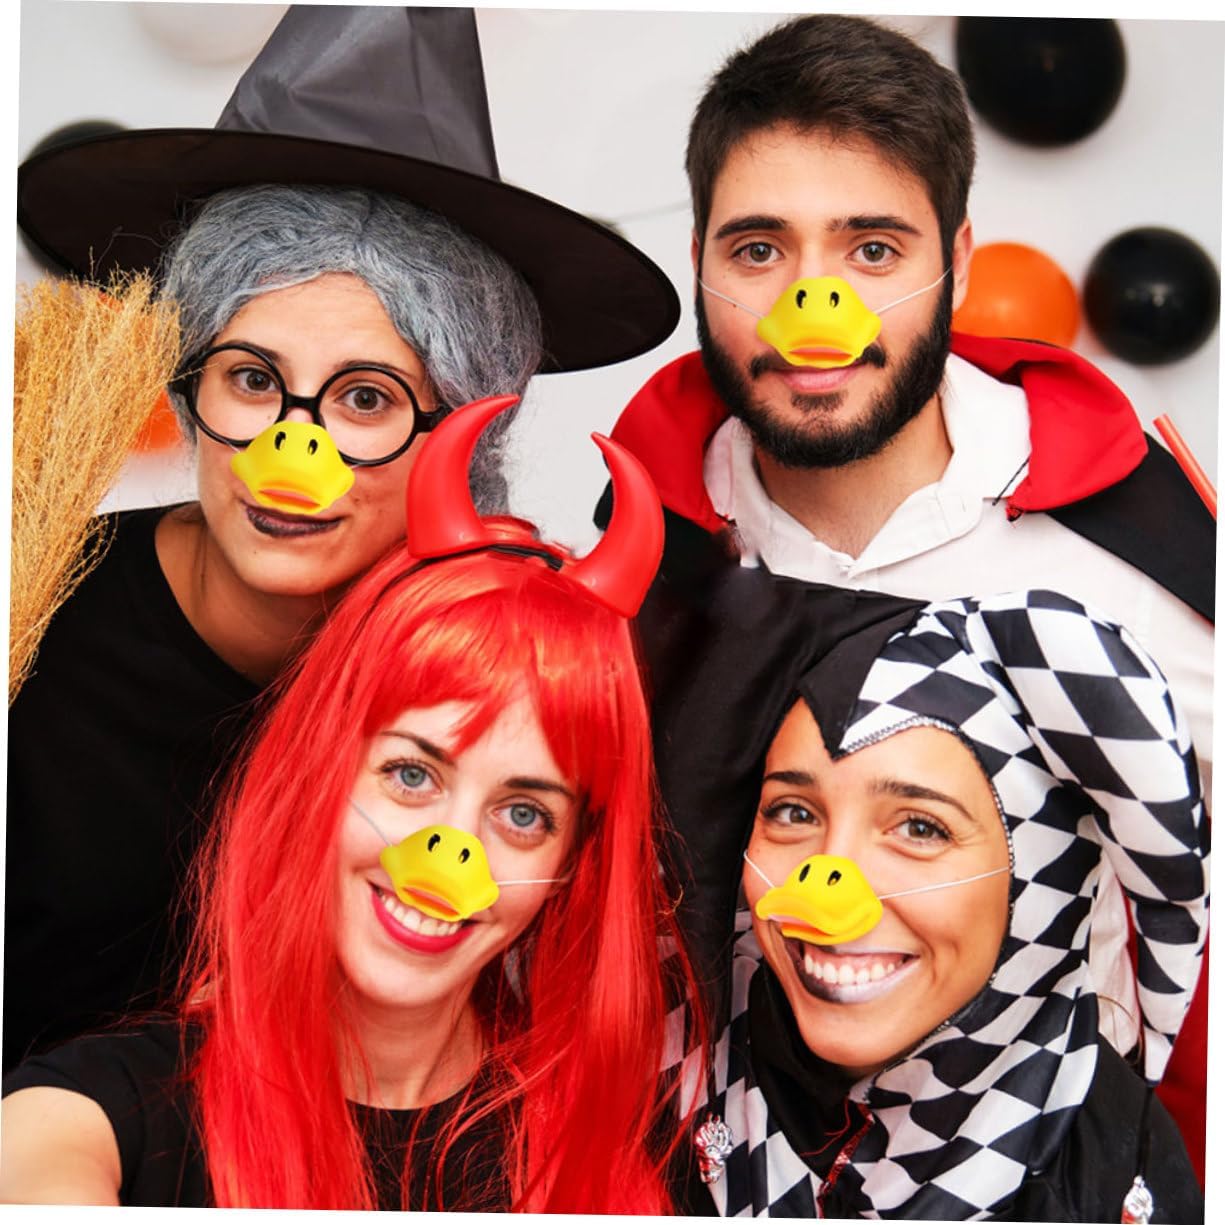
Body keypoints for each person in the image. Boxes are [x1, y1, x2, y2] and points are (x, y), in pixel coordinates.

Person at [6, 7, 679, 1071]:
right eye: (252, 379)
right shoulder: (32, 601)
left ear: (466, 432)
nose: (292, 452)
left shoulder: (490, 683)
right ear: (191, 387)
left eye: (366, 399)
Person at [600, 12, 1213, 1170]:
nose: (811, 311)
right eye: (758, 250)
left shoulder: (1135, 550)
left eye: (872, 250)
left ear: (959, 262)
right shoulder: (639, 555)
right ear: (699, 261)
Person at [1, 395, 700, 1211]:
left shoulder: (627, 1147)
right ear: (320, 770)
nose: (450, 854)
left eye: (523, 814)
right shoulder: (91, 1115)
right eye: (412, 774)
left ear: (570, 862)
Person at [670, 590, 1207, 1222]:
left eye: (920, 828)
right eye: (793, 812)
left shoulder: (1101, 1185)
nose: (821, 898)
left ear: (1041, 884)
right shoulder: (665, 1046)